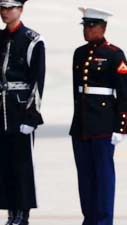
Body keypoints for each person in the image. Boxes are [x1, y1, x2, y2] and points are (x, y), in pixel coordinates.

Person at [70, 7, 127, 225]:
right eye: (85, 26)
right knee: (85, 178)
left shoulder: (114, 54)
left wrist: (121, 126)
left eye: (92, 26)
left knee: (104, 178)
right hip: (81, 126)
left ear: (103, 27)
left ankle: (104, 221)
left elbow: (125, 93)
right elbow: (76, 92)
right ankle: (89, 219)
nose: (87, 30)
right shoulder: (79, 53)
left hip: (104, 125)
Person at [0, 0, 46, 224]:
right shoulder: (0, 38)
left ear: (20, 10)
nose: (5, 12)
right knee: (5, 163)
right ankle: (10, 210)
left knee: (22, 164)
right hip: (2, 111)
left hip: (20, 110)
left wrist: (31, 116)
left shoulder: (32, 40)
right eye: (2, 8)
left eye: (10, 8)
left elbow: (38, 82)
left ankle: (23, 212)